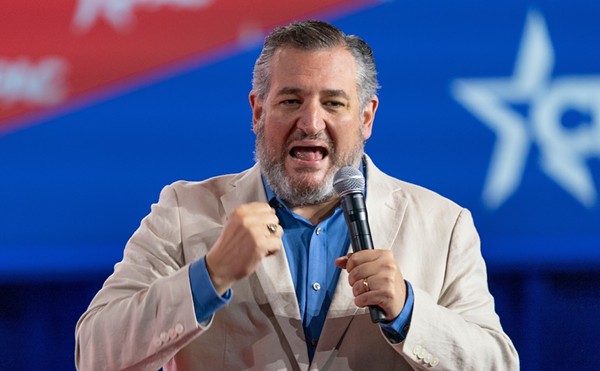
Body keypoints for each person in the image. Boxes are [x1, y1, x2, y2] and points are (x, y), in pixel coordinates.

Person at [75, 20, 519, 370]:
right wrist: (209, 276)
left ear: (366, 117)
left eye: (333, 102)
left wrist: (408, 309)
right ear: (257, 111)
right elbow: (95, 354)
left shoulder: (442, 225)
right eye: (290, 100)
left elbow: (497, 364)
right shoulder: (183, 212)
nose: (311, 122)